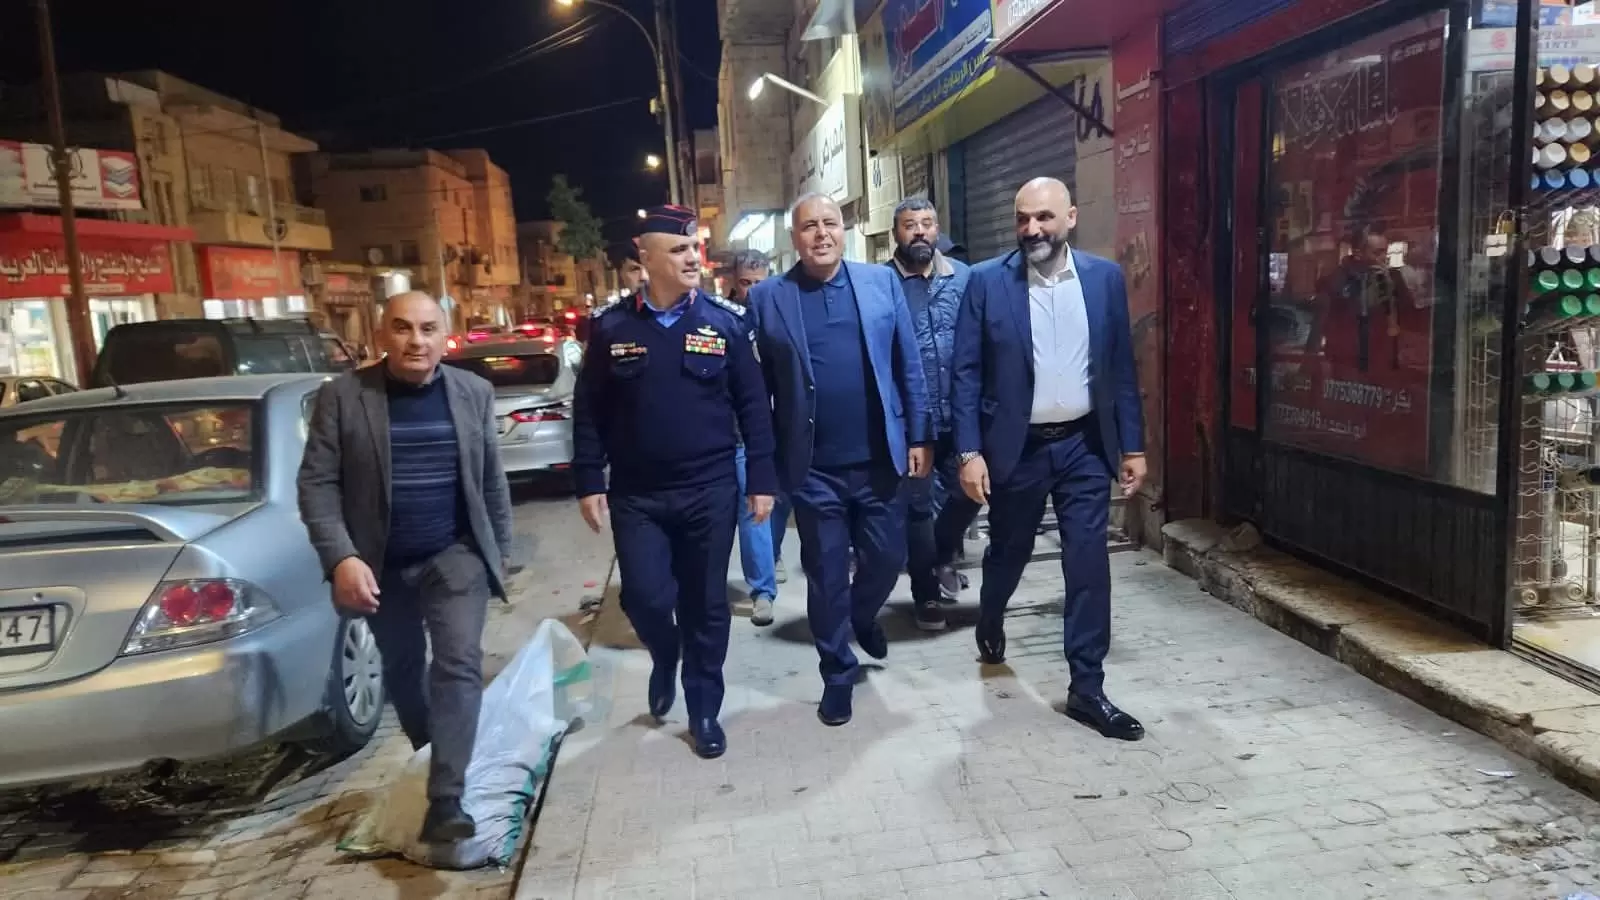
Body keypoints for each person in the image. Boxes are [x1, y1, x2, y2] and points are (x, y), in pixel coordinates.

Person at [297, 290, 514, 842]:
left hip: (454, 554)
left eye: (427, 328)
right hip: (380, 563)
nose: (416, 341)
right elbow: (317, 484)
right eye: (402, 328)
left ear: (445, 336)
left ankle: (447, 799)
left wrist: (500, 554)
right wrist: (342, 557)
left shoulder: (473, 392)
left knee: (459, 662)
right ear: (380, 336)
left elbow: (490, 480)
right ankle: (432, 753)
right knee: (402, 669)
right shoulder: (343, 397)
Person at [572, 205, 778, 759]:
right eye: (679, 250)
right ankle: (665, 654)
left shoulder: (725, 323)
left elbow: (754, 407)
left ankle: (703, 706)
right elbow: (589, 410)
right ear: (646, 257)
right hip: (637, 494)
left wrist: (762, 478)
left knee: (706, 602)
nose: (693, 259)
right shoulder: (612, 327)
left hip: (710, 490)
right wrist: (589, 478)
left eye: (694, 249)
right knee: (644, 597)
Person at [950, 177, 1147, 742]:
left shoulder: (1104, 279)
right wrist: (969, 452)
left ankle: (1087, 687)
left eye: (1043, 217)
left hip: (1085, 445)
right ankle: (991, 613)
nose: (1032, 229)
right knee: (1009, 552)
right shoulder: (986, 282)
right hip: (1019, 448)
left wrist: (1133, 445)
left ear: (1071, 218)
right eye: (1022, 219)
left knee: (1087, 563)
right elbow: (964, 373)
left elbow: (1120, 367)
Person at [745, 192, 931, 727]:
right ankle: (837, 673)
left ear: (843, 229)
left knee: (888, 558)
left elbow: (908, 364)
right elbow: (757, 392)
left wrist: (919, 436)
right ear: (794, 238)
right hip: (813, 469)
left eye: (829, 223)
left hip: (880, 461)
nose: (821, 233)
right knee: (826, 574)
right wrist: (763, 466)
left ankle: (862, 615)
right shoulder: (769, 298)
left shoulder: (879, 284)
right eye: (809, 226)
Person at [887, 198, 978, 632]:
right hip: (912, 420)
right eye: (910, 225)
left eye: (927, 223)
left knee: (971, 492)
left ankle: (942, 556)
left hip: (961, 413)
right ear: (896, 233)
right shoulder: (882, 284)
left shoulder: (963, 278)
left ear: (938, 229)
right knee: (919, 508)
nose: (920, 231)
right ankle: (925, 594)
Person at [725, 248, 784, 626]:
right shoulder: (722, 318)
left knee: (757, 514)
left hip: (760, 434)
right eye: (745, 283)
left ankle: (763, 590)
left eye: (758, 283)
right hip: (723, 435)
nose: (751, 291)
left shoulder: (778, 316)